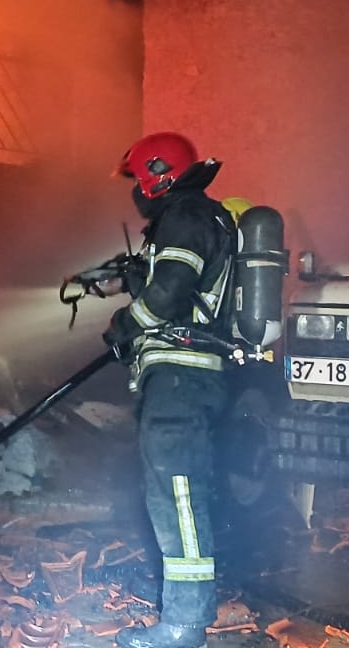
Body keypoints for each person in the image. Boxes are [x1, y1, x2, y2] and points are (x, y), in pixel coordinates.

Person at [102, 132, 237, 648]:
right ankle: (177, 605)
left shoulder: (187, 215)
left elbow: (171, 290)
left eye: (138, 179)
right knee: (168, 492)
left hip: (183, 375)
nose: (136, 191)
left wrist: (125, 324)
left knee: (178, 494)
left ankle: (184, 625)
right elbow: (167, 280)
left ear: (159, 174)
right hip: (178, 378)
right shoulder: (191, 217)